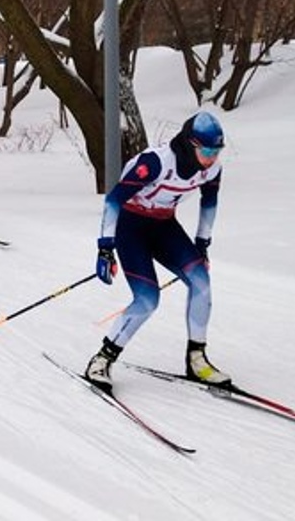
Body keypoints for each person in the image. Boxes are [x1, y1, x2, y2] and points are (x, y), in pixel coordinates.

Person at [83, 111, 228, 392]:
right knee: (148, 299)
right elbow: (113, 200)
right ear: (190, 144)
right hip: (131, 227)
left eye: (217, 150)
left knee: (201, 281)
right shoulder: (156, 162)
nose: (212, 157)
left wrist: (202, 246)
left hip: (163, 226)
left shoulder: (212, 168)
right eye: (207, 150)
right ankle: (102, 359)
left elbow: (209, 204)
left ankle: (197, 358)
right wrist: (104, 249)